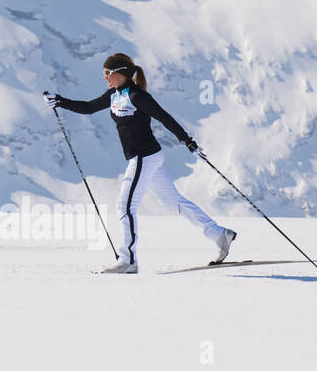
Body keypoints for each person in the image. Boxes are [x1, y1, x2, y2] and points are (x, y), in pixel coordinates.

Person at [46, 53, 235, 273]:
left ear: (121, 73)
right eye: (104, 73)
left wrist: (188, 142)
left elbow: (165, 117)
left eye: (108, 73)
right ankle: (220, 235)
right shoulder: (114, 95)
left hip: (145, 156)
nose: (105, 77)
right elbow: (88, 107)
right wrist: (60, 101)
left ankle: (128, 260)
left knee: (125, 206)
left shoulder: (137, 96)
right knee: (172, 202)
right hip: (147, 157)